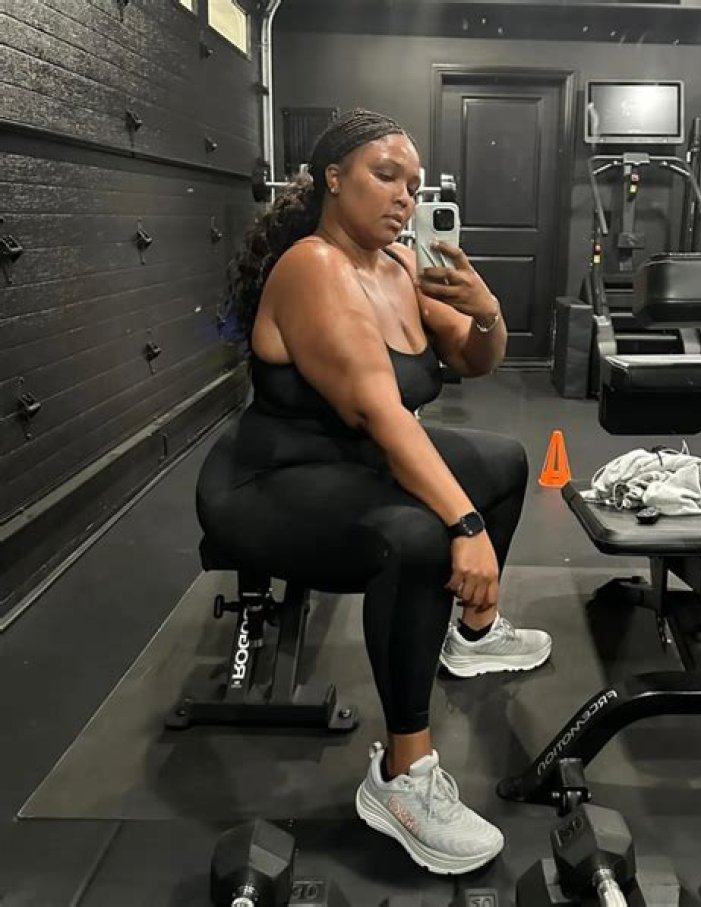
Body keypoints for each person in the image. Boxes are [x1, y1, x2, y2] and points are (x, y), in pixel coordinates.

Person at [199, 108, 552, 875]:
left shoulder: (396, 265)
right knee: (419, 536)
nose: (403, 197)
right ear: (334, 178)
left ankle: (472, 635)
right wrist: (464, 525)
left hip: (354, 458)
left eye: (413, 185)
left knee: (503, 460)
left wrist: (486, 308)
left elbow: (476, 358)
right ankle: (401, 776)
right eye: (386, 175)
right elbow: (379, 411)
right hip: (271, 479)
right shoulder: (315, 268)